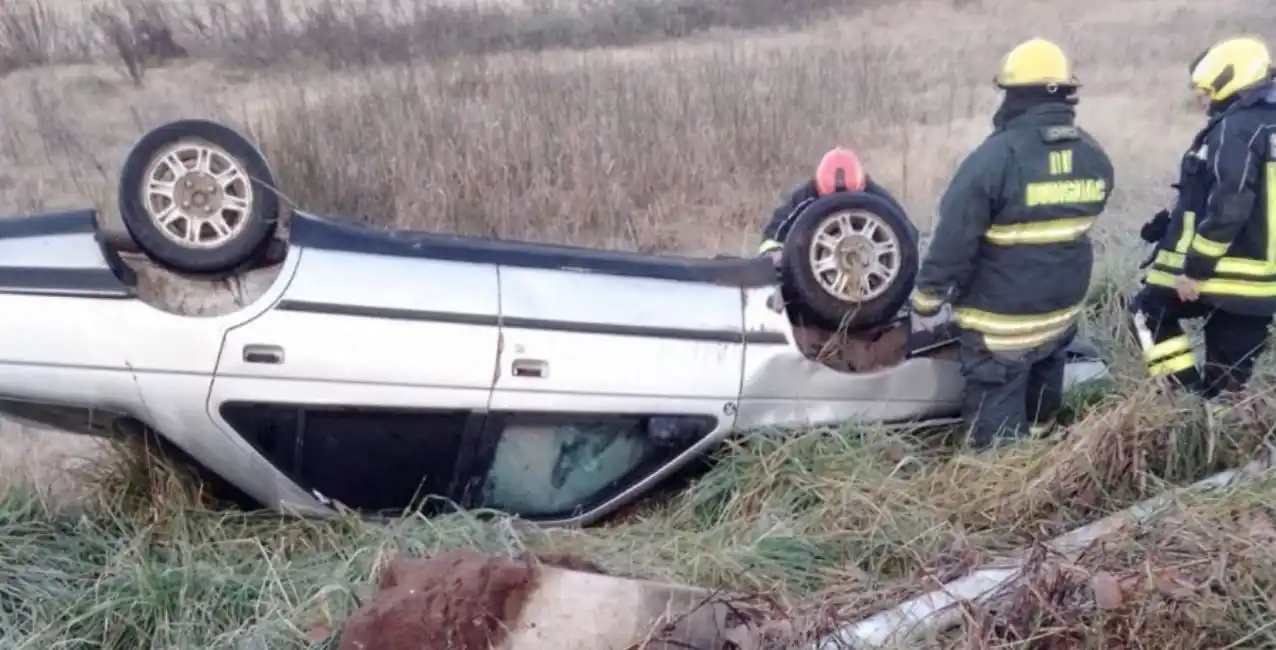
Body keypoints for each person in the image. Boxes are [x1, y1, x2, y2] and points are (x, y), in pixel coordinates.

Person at [907, 37, 1116, 447]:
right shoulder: (1093, 154)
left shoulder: (994, 159)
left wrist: (926, 301)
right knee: (1042, 413)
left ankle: (1009, 492)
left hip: (1000, 329)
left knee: (997, 445)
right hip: (1059, 319)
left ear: (1015, 95)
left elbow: (953, 240)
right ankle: (1048, 468)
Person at [1127, 35, 1276, 404]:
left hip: (1228, 272)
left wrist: (1196, 269)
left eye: (1208, 91)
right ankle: (1221, 441)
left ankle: (1184, 401)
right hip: (1264, 284)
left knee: (1147, 312)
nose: (1205, 100)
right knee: (1229, 390)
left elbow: (1230, 203)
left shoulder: (1238, 128)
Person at [758, 147, 911, 264]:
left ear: (862, 187)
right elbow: (774, 231)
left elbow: (908, 233)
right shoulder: (804, 196)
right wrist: (773, 251)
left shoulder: (878, 198)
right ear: (818, 188)